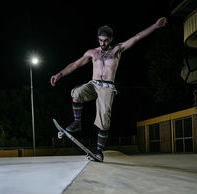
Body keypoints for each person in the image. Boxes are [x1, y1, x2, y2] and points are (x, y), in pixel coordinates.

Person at [50, 17, 167, 161]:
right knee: (76, 92)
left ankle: (99, 152)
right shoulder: (93, 53)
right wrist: (59, 74)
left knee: (104, 121)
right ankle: (77, 122)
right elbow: (75, 64)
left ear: (111, 39)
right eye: (100, 40)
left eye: (105, 40)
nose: (103, 43)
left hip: (107, 88)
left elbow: (136, 38)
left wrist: (155, 26)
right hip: (93, 84)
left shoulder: (118, 49)